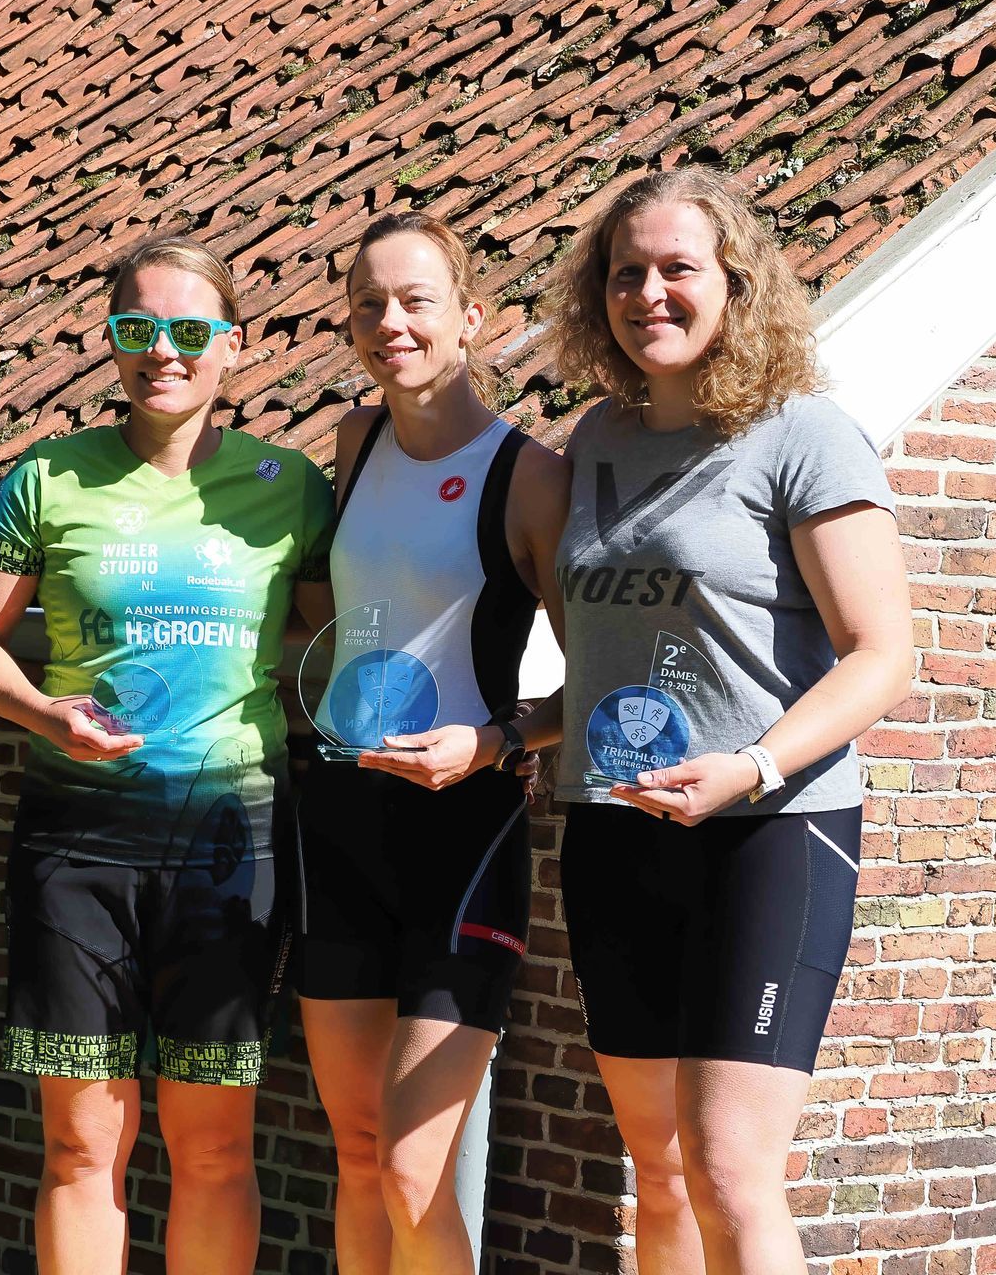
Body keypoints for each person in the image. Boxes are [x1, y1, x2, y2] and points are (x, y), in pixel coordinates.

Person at [541, 168, 913, 1275]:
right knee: (656, 1169)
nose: (647, 293)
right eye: (625, 274)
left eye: (677, 269)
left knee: (730, 1170)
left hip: (767, 833)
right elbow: (607, 654)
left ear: (737, 285)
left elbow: (883, 654)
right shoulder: (596, 440)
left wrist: (750, 765)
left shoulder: (804, 434)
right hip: (615, 826)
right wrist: (515, 731)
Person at [0, 236, 335, 1275]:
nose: (164, 350)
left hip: (230, 847)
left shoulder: (290, 485)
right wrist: (42, 712)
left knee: (214, 1151)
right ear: (112, 342)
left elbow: (338, 641)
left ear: (234, 346)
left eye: (190, 330)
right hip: (77, 846)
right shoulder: (47, 477)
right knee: (81, 1147)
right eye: (138, 327)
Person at [293, 210, 570, 1275]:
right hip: (340, 819)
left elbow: (588, 677)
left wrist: (496, 742)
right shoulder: (354, 443)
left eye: (416, 301)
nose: (391, 323)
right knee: (359, 1153)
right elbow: (338, 611)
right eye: (369, 304)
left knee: (414, 1169)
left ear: (471, 317)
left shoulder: (528, 475)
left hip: (463, 832)